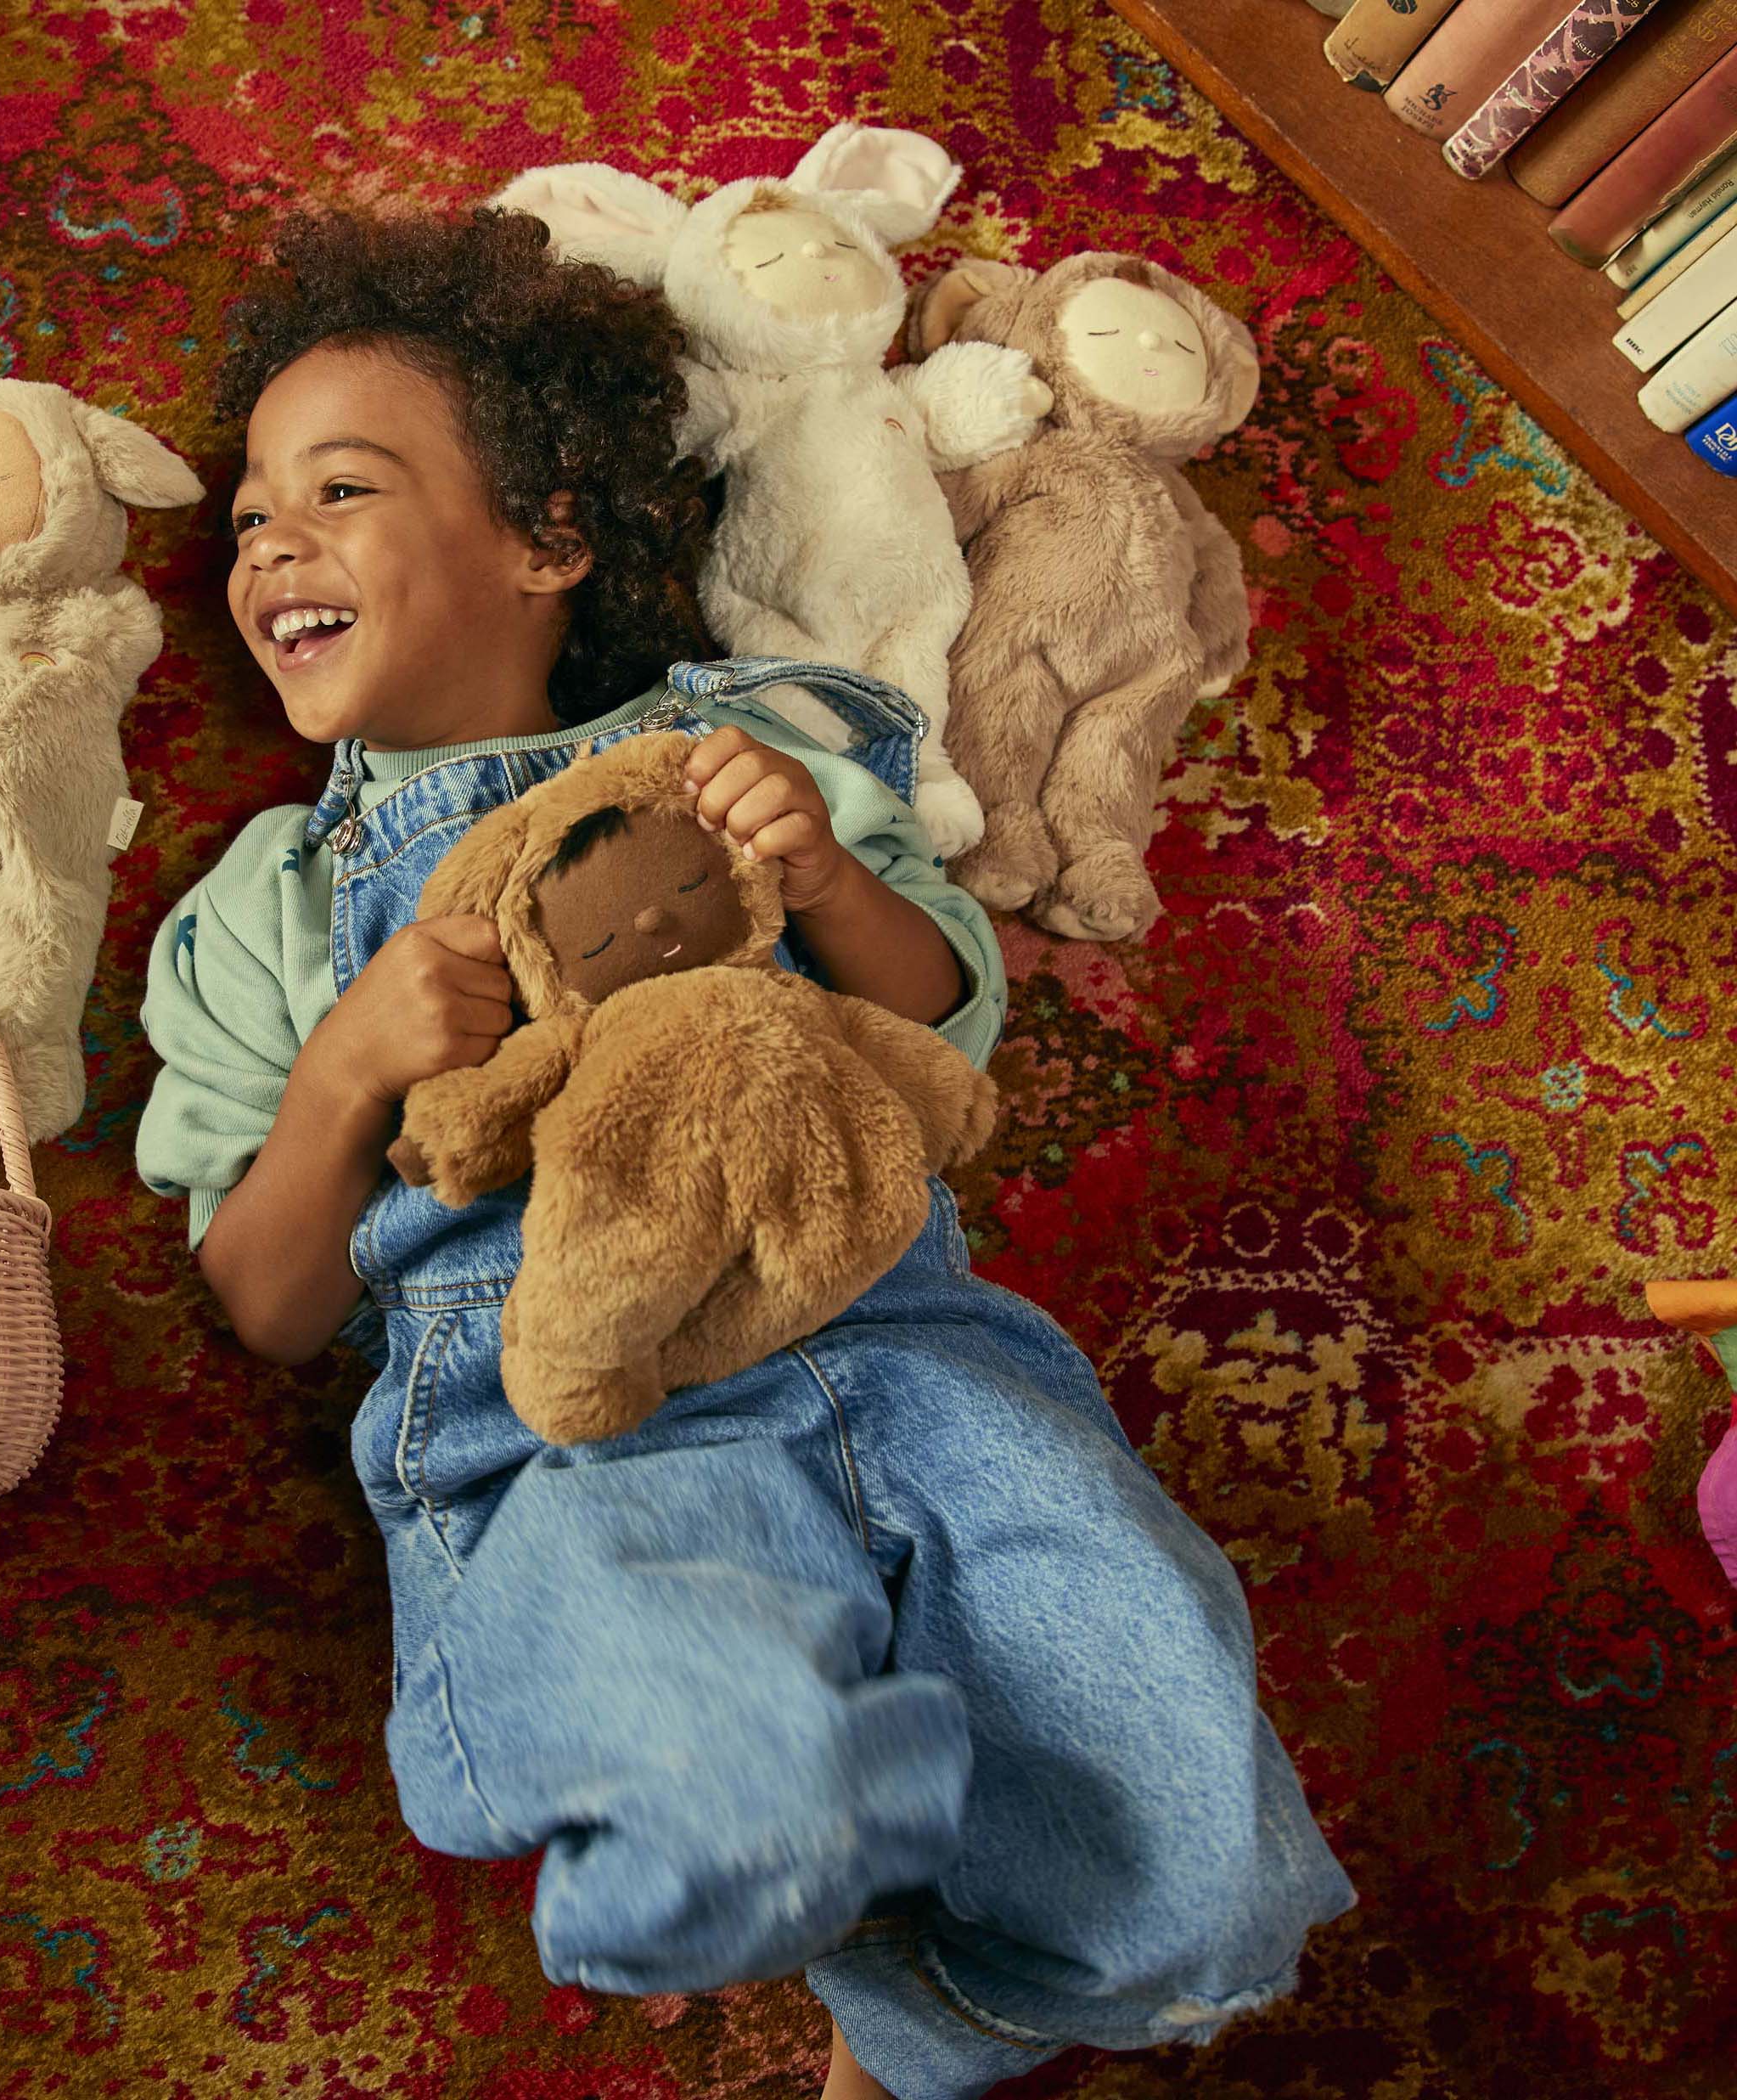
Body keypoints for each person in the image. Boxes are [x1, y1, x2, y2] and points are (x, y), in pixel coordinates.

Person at [134, 202, 1356, 2100]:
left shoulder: (742, 749)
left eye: (340, 489)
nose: (270, 541)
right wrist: (342, 1083)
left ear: (549, 541)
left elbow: (946, 1017)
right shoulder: (271, 905)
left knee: (1176, 1796)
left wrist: (807, 873)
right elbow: (269, 1305)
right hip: (578, 1422)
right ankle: (818, 1844)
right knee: (729, 1783)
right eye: (248, 521)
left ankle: (929, 2000)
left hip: (903, 1341)